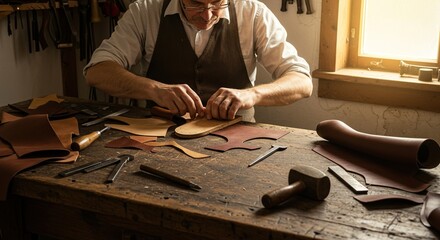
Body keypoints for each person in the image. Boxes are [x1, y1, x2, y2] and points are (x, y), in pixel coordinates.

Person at [84, 0, 312, 122]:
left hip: (237, 140)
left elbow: (302, 82)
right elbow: (97, 71)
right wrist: (154, 90)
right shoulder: (144, 12)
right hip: (160, 136)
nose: (207, 15)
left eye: (217, 3)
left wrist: (252, 95)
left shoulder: (253, 14)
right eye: (195, 4)